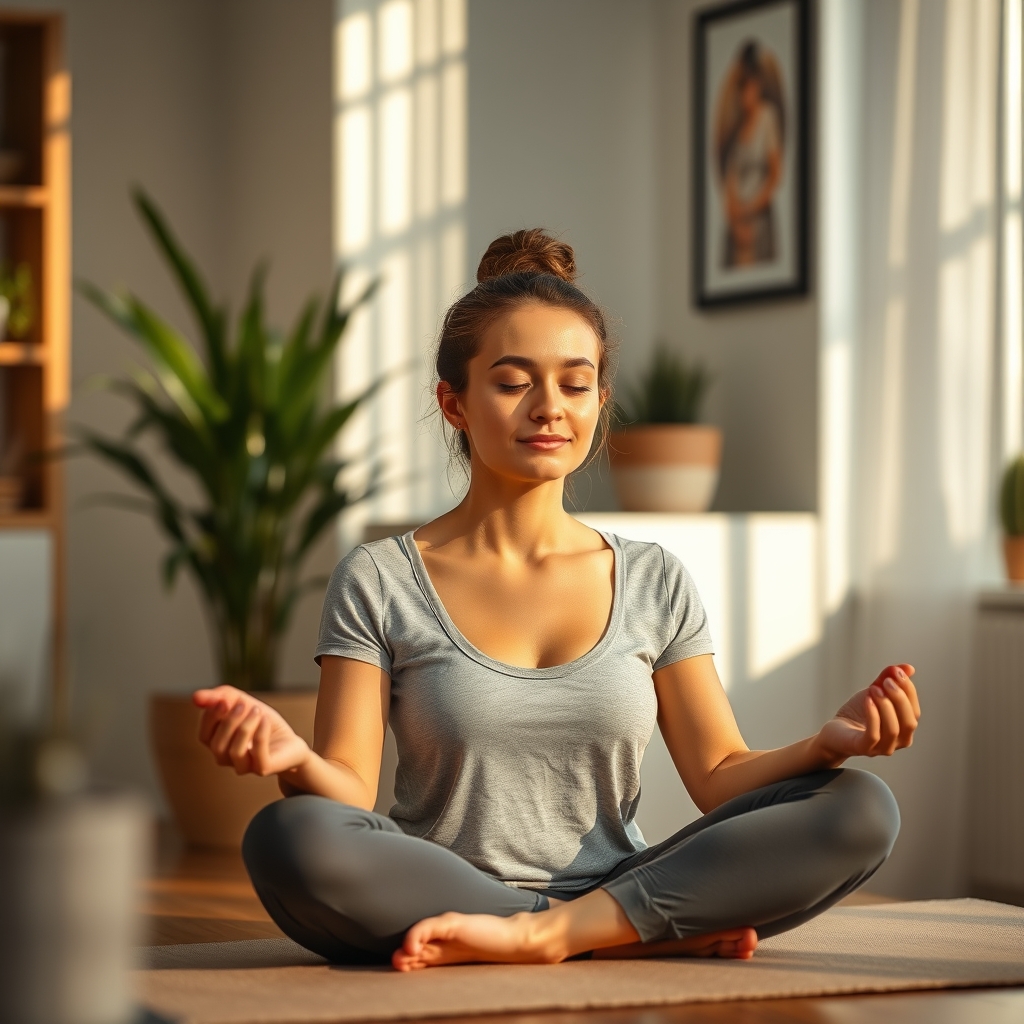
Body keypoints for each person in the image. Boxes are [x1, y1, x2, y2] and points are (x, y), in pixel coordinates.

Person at [193, 230, 919, 972]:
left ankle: (549, 935)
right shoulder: (381, 577)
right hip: (442, 884)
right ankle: (617, 931)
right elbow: (346, 786)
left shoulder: (652, 578)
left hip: (621, 880)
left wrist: (826, 747)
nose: (549, 408)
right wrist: (290, 757)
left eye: (575, 384)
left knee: (859, 807)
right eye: (512, 382)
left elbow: (720, 771)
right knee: (291, 838)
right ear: (454, 402)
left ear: (601, 401)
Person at [716, 41, 785, 267]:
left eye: (749, 86)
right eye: (741, 88)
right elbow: (731, 181)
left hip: (759, 221)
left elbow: (775, 175)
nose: (744, 94)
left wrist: (750, 209)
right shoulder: (738, 128)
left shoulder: (767, 118)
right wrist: (736, 222)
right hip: (738, 226)